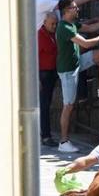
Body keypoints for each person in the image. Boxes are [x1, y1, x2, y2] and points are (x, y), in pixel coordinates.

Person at [55, 0, 99, 153]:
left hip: (77, 62)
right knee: (68, 106)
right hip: (68, 71)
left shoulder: (72, 24)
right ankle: (63, 142)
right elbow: (85, 43)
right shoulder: (64, 27)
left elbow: (90, 29)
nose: (77, 9)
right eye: (74, 7)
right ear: (66, 11)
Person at [38, 12, 59, 147]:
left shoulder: (52, 34)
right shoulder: (40, 35)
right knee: (44, 106)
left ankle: (45, 134)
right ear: (45, 22)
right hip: (43, 74)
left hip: (51, 72)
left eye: (55, 23)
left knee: (46, 104)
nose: (54, 26)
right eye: (52, 23)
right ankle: (45, 136)